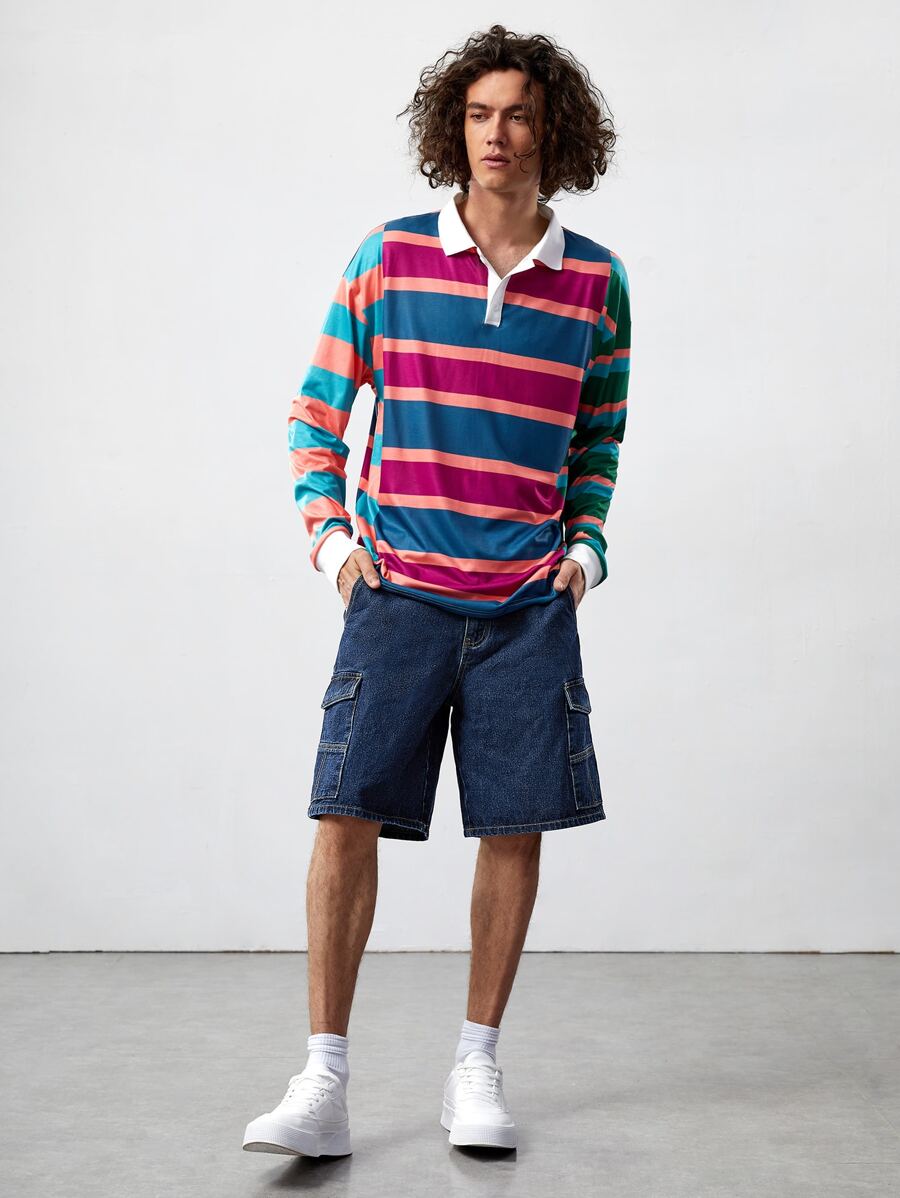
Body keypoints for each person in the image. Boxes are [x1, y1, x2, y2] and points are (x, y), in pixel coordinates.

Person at [243, 23, 631, 1160]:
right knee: (343, 814)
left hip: (526, 609)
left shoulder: (597, 282)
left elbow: (599, 440)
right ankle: (323, 1080)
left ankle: (477, 1066)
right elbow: (316, 415)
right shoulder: (390, 258)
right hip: (399, 594)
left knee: (514, 828)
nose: (495, 135)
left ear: (552, 130)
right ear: (452, 128)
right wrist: (333, 547)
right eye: (477, 114)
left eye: (518, 114)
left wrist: (585, 553)